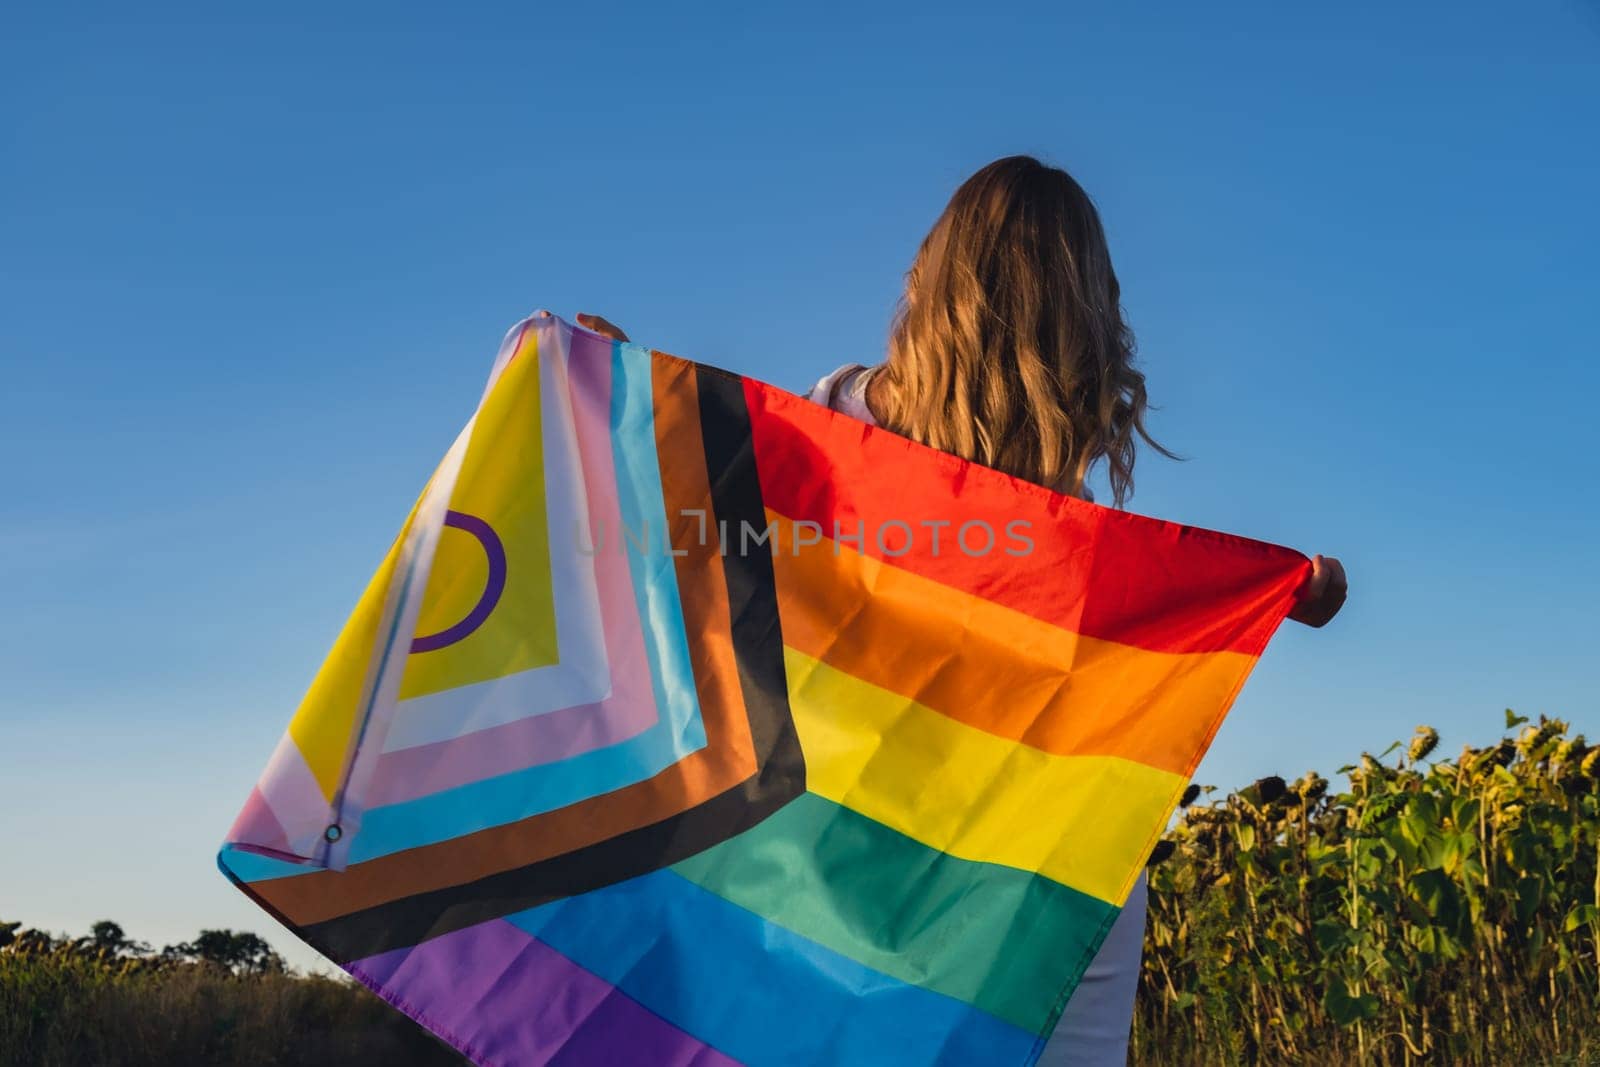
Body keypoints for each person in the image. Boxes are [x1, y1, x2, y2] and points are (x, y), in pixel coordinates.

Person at [575, 154, 1347, 1066]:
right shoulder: (1077, 522)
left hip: (837, 852)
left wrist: (626, 415)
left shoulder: (832, 424)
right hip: (1041, 861)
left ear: (929, 282)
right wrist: (1289, 586)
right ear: (1088, 319)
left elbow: (717, 551)